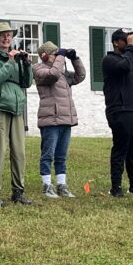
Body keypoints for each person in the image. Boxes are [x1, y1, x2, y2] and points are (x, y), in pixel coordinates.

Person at [0, 21, 34, 206]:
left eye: (9, 35)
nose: (6, 38)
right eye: (2, 35)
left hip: (16, 108)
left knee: (19, 151)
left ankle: (18, 192)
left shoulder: (16, 57)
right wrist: (10, 62)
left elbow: (26, 83)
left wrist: (26, 65)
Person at [33, 41, 86, 198]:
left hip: (65, 119)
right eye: (55, 55)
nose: (58, 57)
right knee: (48, 154)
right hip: (50, 119)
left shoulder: (62, 73)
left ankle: (62, 185)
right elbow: (53, 74)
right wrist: (62, 56)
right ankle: (47, 185)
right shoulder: (39, 69)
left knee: (61, 155)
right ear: (44, 56)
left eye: (58, 54)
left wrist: (75, 58)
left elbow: (80, 76)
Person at [102, 29, 133, 198]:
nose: (129, 43)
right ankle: (116, 186)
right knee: (120, 149)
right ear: (116, 42)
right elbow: (123, 67)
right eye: (126, 40)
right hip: (120, 110)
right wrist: (131, 47)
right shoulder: (109, 60)